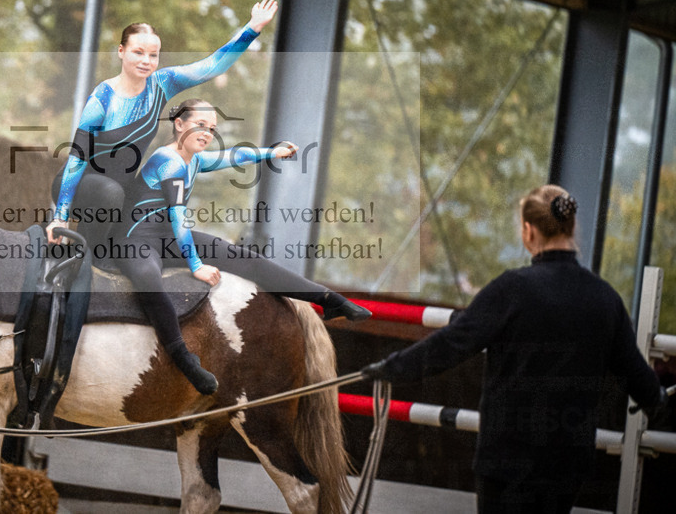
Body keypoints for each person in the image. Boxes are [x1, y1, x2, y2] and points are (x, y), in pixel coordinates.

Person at [362, 184, 668, 514]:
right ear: (571, 227)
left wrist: (391, 367)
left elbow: (451, 343)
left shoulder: (513, 289)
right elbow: (638, 377)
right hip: (567, 466)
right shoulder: (605, 298)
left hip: (507, 460)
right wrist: (659, 402)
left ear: (528, 230)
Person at [115, 99, 372, 395]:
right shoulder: (168, 160)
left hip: (165, 238)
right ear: (179, 124)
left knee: (242, 258)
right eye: (200, 125)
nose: (207, 133)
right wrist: (196, 265)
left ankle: (328, 299)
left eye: (211, 129)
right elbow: (178, 217)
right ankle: (182, 357)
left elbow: (234, 155)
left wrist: (271, 152)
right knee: (149, 279)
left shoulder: (194, 159)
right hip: (136, 240)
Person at [46, 0, 279, 250]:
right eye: (138, 52)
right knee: (110, 194)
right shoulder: (102, 98)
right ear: (121, 51)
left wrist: (252, 28)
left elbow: (212, 66)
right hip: (82, 186)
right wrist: (60, 215)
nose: (146, 60)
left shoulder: (161, 85)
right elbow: (77, 158)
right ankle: (87, 259)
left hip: (120, 194)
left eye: (153, 55)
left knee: (143, 210)